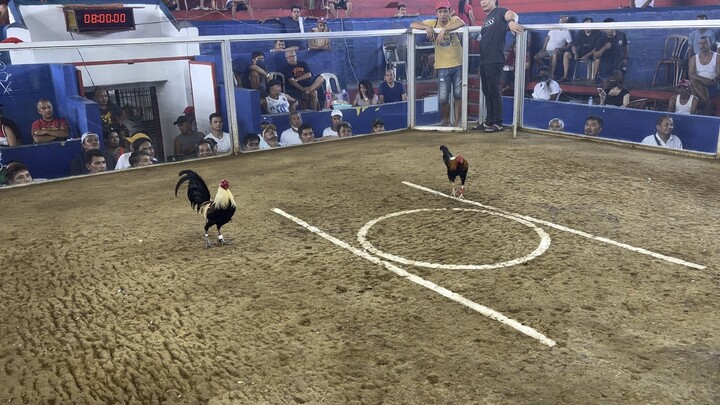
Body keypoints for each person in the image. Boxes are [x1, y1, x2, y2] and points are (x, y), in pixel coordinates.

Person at [410, 0, 465, 127]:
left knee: (458, 94)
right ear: (436, 13)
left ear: (448, 12)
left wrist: (443, 29)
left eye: (445, 11)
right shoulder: (432, 23)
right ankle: (446, 121)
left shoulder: (454, 19)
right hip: (442, 66)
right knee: (443, 98)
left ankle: (457, 122)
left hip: (458, 64)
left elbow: (461, 22)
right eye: (440, 11)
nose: (443, 14)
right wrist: (427, 27)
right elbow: (413, 23)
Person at [474, 0, 523, 132]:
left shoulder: (500, 11)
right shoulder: (487, 18)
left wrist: (512, 22)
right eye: (481, 1)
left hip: (495, 58)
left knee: (494, 90)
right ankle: (489, 121)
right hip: (484, 60)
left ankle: (498, 122)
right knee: (487, 91)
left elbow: (513, 15)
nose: (482, 2)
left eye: (485, 0)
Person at [560, 17, 600, 82]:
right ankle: (565, 76)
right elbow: (574, 45)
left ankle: (594, 78)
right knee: (566, 54)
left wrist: (588, 55)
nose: (586, 27)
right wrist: (575, 53)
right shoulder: (580, 33)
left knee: (598, 57)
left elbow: (597, 47)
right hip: (581, 53)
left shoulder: (597, 33)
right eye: (585, 25)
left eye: (588, 25)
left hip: (592, 53)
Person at [534, 16, 572, 80]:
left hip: (558, 51)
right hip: (548, 50)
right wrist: (543, 48)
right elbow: (547, 38)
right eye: (561, 19)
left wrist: (562, 49)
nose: (562, 21)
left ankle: (552, 74)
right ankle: (547, 70)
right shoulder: (554, 28)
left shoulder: (567, 32)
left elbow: (570, 44)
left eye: (564, 20)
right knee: (536, 57)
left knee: (554, 55)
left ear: (566, 22)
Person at [688, 36, 719, 104]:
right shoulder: (694, 58)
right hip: (699, 83)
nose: (702, 45)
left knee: (693, 89)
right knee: (693, 82)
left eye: (705, 43)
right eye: (700, 43)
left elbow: (719, 74)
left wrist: (713, 80)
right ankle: (707, 102)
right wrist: (703, 80)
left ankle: (700, 106)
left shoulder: (717, 57)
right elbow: (691, 74)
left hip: (712, 84)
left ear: (710, 44)